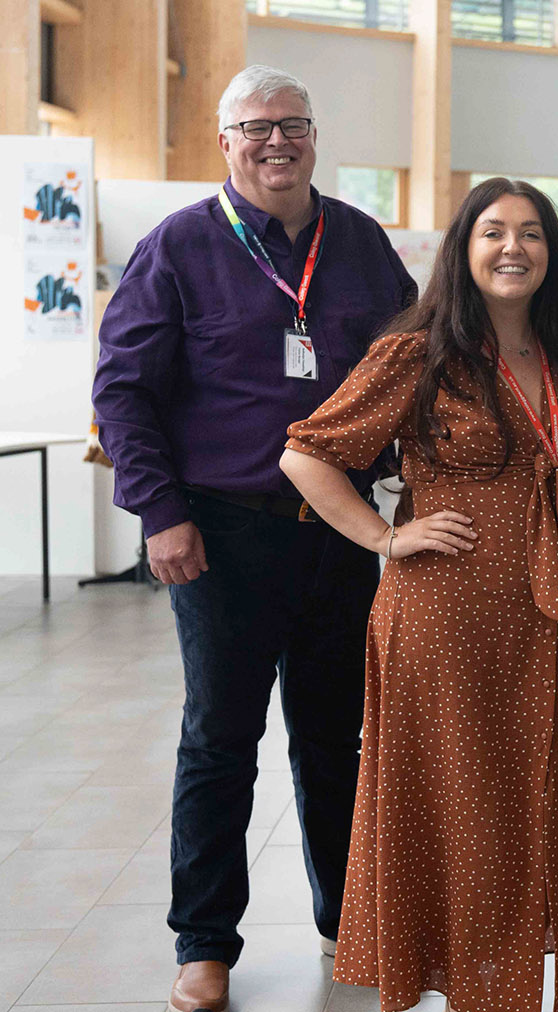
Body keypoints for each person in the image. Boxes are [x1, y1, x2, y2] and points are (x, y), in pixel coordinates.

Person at [90, 65, 416, 1012]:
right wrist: (161, 512)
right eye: (256, 127)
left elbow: (408, 368)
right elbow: (124, 392)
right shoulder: (180, 246)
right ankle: (205, 945)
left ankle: (344, 919)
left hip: (342, 532)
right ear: (224, 139)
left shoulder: (357, 242)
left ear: (314, 135)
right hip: (221, 534)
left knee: (335, 739)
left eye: (294, 124)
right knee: (220, 741)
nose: (277, 141)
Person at [279, 177, 558, 1012]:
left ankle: (521, 988)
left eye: (532, 233)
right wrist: (386, 537)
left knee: (546, 811)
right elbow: (306, 454)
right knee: (462, 811)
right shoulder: (420, 351)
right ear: (463, 250)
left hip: (547, 623)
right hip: (444, 621)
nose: (514, 248)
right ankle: (477, 993)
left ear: (553, 250)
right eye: (493, 232)